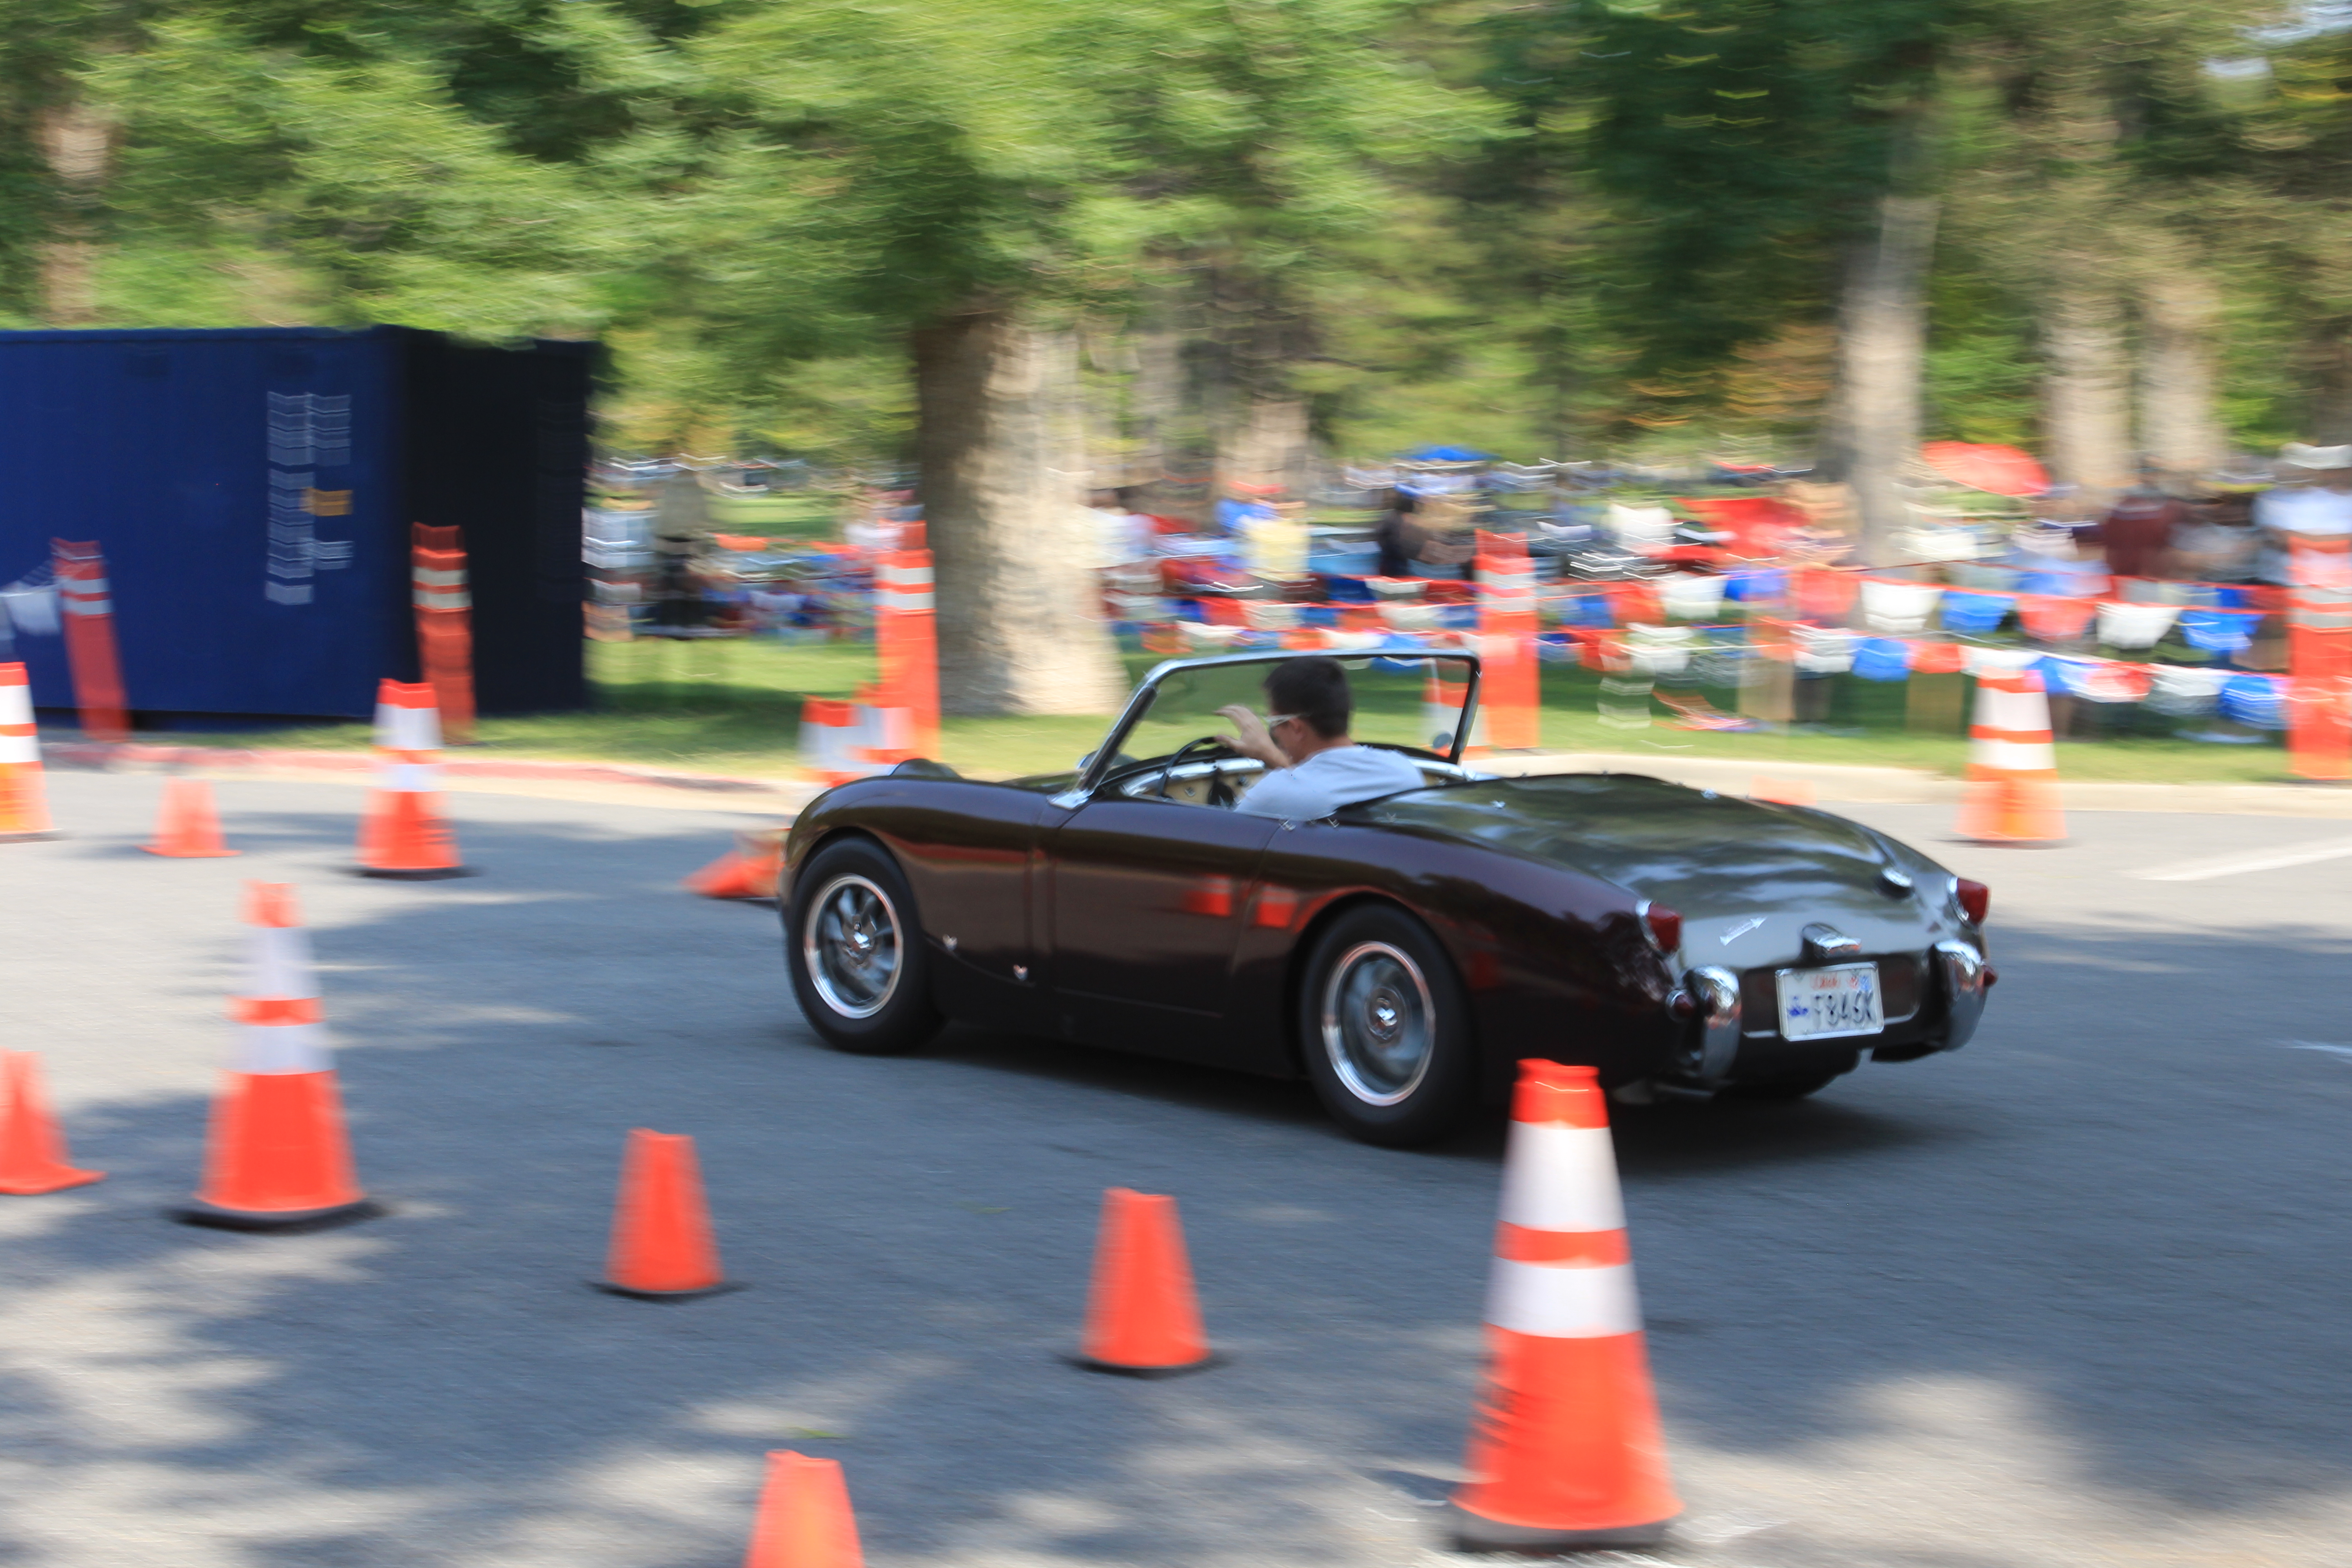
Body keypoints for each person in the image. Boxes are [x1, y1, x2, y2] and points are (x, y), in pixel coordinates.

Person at [1215, 657, 1427, 819]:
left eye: (1273, 724)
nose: (1275, 735)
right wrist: (1275, 760)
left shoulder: (1275, 795)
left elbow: (1223, 843)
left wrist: (1273, 758)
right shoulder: (1404, 772)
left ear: (1295, 727)